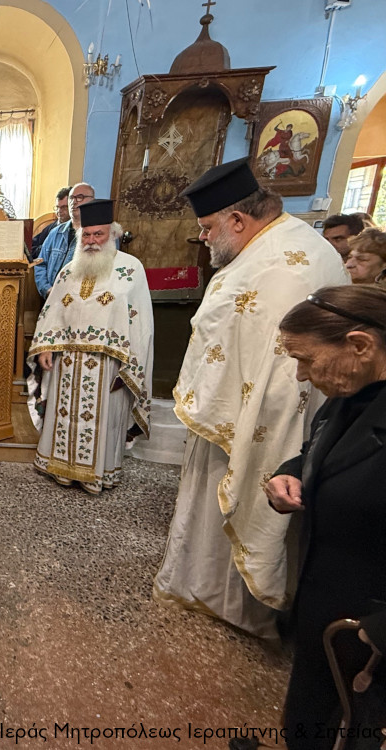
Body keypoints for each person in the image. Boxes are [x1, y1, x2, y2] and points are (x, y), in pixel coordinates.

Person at [154, 157, 350, 638]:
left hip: (258, 415)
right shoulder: (296, 243)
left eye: (207, 227)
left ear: (237, 220)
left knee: (237, 492)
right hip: (269, 408)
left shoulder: (277, 264)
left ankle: (226, 599)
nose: (203, 238)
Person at [265, 285, 386, 749]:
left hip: (372, 627)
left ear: (359, 345)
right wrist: (290, 474)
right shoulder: (351, 390)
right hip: (325, 603)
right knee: (308, 720)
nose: (299, 375)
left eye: (306, 359)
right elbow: (325, 452)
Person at [27, 200, 153, 494]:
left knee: (101, 421)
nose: (92, 241)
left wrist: (131, 365)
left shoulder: (130, 270)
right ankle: (61, 468)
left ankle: (96, 474)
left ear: (113, 235)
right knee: (64, 417)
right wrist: (46, 347)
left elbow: (141, 322)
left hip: (108, 365)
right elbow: (53, 311)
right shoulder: (69, 271)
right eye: (87, 235)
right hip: (67, 361)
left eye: (99, 234)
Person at [33, 183, 96, 300]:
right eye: (71, 198)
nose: (74, 202)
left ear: (92, 201)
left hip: (78, 300)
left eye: (80, 197)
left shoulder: (96, 236)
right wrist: (47, 289)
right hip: (50, 298)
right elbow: (40, 263)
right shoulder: (55, 233)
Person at [30, 186, 70, 259]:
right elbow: (30, 248)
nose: (59, 211)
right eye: (57, 207)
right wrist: (46, 248)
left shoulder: (78, 230)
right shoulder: (50, 228)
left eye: (64, 207)